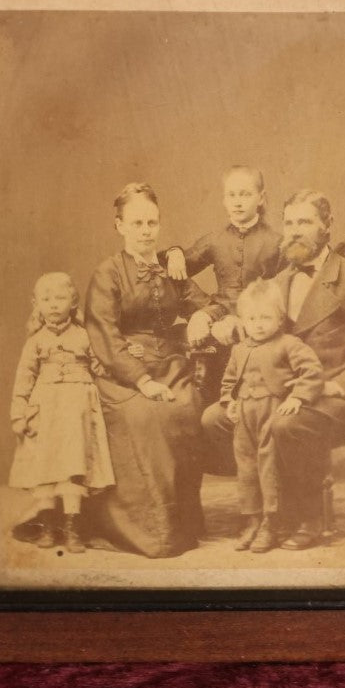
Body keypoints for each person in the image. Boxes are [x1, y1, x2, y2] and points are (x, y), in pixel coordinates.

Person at [202, 189, 345, 550]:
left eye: (305, 222)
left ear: (327, 227)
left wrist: (340, 384)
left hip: (342, 400)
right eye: (289, 223)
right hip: (283, 394)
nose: (294, 231)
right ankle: (273, 510)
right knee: (214, 419)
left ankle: (310, 517)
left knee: (287, 424)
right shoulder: (278, 283)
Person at [84, 182, 224, 558]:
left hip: (172, 365)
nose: (146, 231)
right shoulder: (108, 273)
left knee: (186, 406)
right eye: (137, 223)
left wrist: (201, 317)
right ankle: (150, 530)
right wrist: (142, 381)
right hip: (123, 372)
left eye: (152, 222)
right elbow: (104, 336)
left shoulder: (169, 267)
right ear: (119, 226)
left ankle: (183, 522)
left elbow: (209, 303)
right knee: (144, 417)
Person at [8, 272, 115, 553]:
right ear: (36, 304)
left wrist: (122, 359)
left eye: (60, 298)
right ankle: (46, 525)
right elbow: (24, 378)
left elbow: (101, 366)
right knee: (45, 468)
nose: (53, 304)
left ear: (73, 301)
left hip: (77, 411)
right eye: (46, 299)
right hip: (45, 410)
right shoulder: (35, 341)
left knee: (72, 467)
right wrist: (19, 414)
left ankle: (72, 529)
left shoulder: (84, 335)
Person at [221, 279, 324, 553]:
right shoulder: (239, 349)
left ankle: (271, 521)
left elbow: (312, 371)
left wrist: (297, 397)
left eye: (265, 317)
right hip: (244, 413)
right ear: (243, 320)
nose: (258, 324)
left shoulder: (289, 344)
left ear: (279, 319)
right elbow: (229, 380)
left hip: (271, 410)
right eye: (252, 318)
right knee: (246, 467)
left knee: (268, 467)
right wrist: (228, 401)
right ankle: (252, 519)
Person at [164, 165, 282, 348]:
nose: (237, 202)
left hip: (258, 317)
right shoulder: (215, 239)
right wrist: (174, 252)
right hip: (218, 312)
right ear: (224, 200)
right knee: (195, 327)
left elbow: (289, 288)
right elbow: (175, 268)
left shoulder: (276, 242)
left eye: (245, 194)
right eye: (232, 195)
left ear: (261, 198)